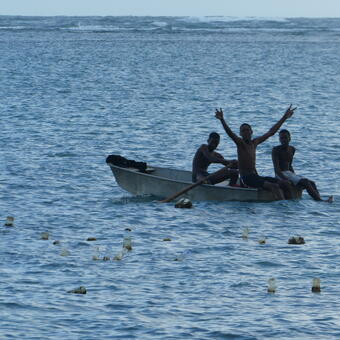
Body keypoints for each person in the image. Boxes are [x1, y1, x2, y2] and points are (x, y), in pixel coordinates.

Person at [215, 105, 296, 200]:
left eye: (247, 130)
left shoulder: (255, 143)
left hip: (255, 176)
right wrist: (222, 120)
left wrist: (284, 117)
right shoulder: (240, 143)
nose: (246, 132)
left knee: (285, 183)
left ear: (251, 132)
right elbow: (230, 133)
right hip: (246, 178)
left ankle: (289, 208)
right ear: (240, 134)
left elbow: (271, 132)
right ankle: (281, 205)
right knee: (274, 186)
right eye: (243, 131)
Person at [272, 129, 333, 202]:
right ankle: (321, 201)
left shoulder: (292, 149)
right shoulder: (276, 150)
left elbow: (290, 165)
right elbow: (276, 169)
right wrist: (285, 179)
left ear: (289, 138)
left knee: (312, 183)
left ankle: (318, 200)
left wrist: (295, 177)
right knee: (305, 181)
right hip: (281, 174)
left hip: (289, 173)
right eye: (281, 138)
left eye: (285, 137)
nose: (283, 140)